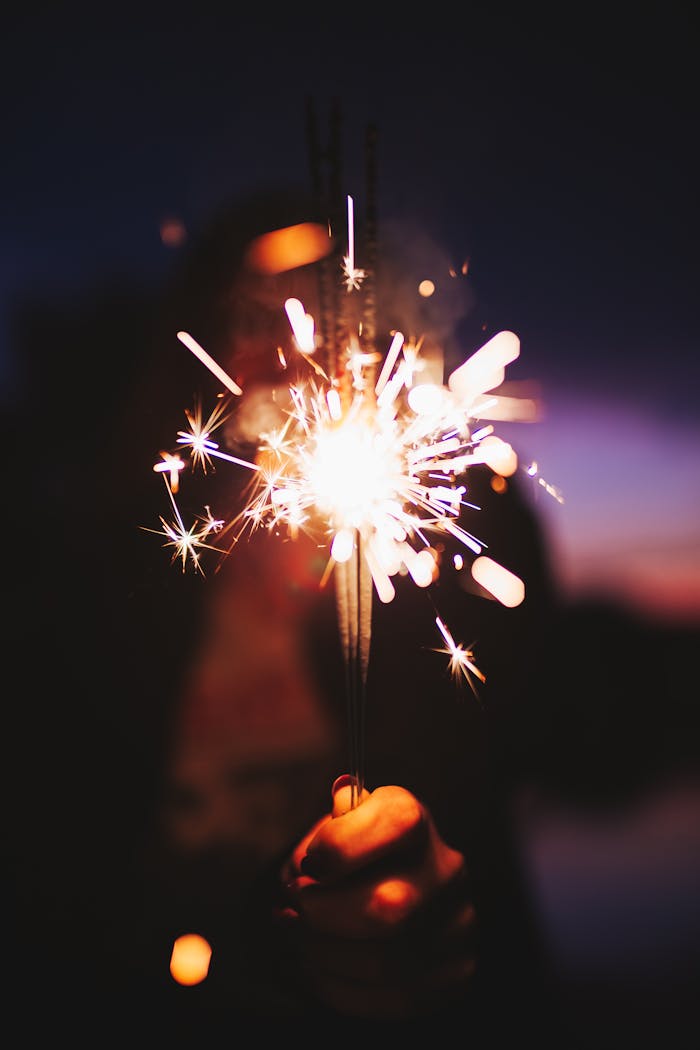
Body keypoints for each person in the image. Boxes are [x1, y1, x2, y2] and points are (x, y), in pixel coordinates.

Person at [9, 183, 574, 1043]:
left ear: (369, 327)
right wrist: (263, 929)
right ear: (203, 340)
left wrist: (399, 894)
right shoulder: (130, 556)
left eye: (309, 303)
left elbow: (496, 751)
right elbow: (68, 819)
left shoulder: (458, 541)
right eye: (250, 311)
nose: (282, 339)